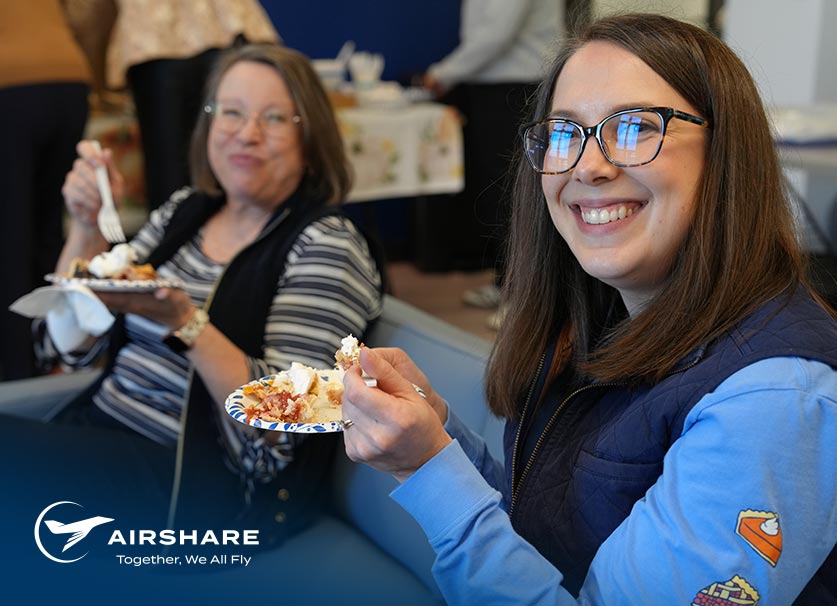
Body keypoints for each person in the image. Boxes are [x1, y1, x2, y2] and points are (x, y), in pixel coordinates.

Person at [339, 13, 837, 605]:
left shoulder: (773, 400)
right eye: (564, 134)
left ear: (727, 151)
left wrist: (428, 471)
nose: (588, 166)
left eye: (632, 127)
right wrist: (436, 433)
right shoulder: (602, 320)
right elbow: (547, 536)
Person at [3, 43, 384, 543]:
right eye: (231, 113)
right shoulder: (185, 211)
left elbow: (288, 425)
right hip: (98, 433)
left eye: (273, 118)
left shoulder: (327, 244)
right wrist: (84, 227)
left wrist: (187, 323)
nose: (246, 134)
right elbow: (68, 347)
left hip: (196, 490)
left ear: (310, 138)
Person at [420, 0, 563, 328]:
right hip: (492, 84)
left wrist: (444, 73)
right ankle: (506, 283)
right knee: (501, 189)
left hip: (519, 84)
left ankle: (526, 299)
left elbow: (497, 34)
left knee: (519, 189)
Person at [103, 0, 280, 211]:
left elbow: (87, 10)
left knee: (174, 178)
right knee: (231, 168)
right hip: (229, 26)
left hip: (156, 38)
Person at [0, 1, 92, 380]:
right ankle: (51, 358)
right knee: (47, 230)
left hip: (9, 82)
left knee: (9, 238)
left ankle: (15, 375)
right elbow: (88, 12)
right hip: (69, 79)